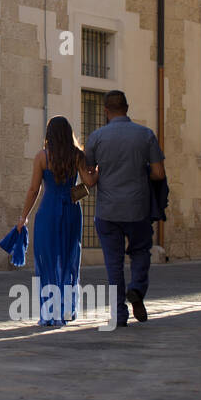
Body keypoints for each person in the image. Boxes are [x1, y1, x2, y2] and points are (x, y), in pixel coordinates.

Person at [83, 90, 166, 326]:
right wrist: (141, 170)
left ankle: (119, 314)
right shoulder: (145, 135)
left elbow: (90, 173)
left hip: (107, 211)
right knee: (141, 252)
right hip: (137, 208)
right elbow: (159, 173)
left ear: (106, 111)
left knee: (113, 262)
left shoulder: (96, 138)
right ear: (127, 108)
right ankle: (137, 289)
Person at [17, 116, 98, 326]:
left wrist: (23, 216)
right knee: (69, 258)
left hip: (48, 211)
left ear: (49, 135)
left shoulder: (42, 157)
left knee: (48, 260)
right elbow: (89, 184)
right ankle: (68, 309)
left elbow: (34, 189)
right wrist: (91, 177)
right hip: (71, 210)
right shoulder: (77, 156)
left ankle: (50, 312)